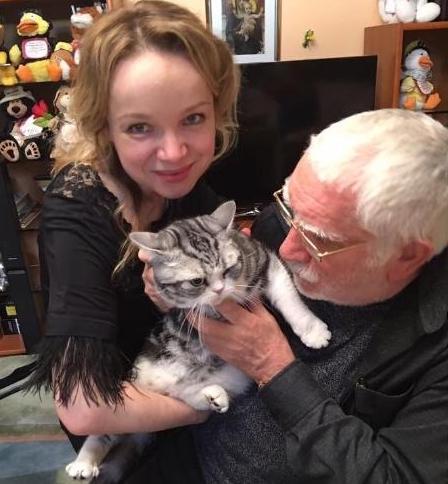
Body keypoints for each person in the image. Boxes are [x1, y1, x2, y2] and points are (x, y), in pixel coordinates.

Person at [139, 108, 448, 483]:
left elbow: (391, 477)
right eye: (289, 210)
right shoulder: (290, 225)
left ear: (406, 256)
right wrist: (176, 298)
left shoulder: (436, 345)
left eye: (319, 239)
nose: (286, 248)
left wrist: (274, 368)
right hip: (185, 444)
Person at [27, 0, 239, 469]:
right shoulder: (78, 210)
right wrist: (201, 406)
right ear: (105, 127)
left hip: (185, 373)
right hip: (126, 416)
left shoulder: (189, 190)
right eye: (140, 127)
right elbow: (83, 407)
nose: (174, 152)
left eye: (193, 118)